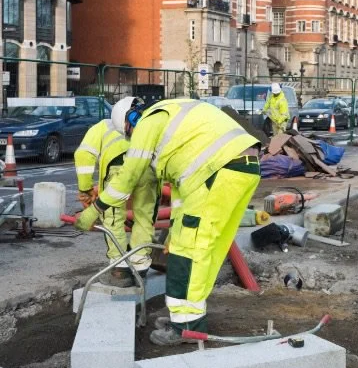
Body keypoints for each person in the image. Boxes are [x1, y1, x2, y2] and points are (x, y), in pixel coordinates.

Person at [74, 97, 260, 345]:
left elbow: (128, 177)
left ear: (131, 121)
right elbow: (182, 188)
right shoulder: (173, 117)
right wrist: (175, 227)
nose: (131, 141)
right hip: (241, 168)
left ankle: (185, 327)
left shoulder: (148, 123)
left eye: (129, 136)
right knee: (205, 247)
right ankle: (185, 319)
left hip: (218, 173)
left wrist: (95, 208)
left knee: (189, 252)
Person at [74, 114, 159, 287]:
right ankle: (140, 266)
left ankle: (120, 269)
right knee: (145, 216)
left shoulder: (102, 126)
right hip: (147, 169)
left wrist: (85, 188)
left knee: (113, 217)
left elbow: (83, 156)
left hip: (116, 172)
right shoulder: (147, 124)